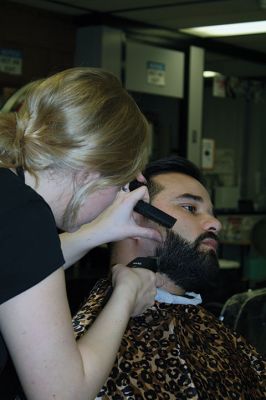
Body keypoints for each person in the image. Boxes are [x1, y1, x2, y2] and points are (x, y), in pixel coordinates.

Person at [0, 67, 163, 400]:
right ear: (90, 173)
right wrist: (126, 296)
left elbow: (17, 267)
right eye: (120, 184)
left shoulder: (10, 196)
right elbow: (62, 392)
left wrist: (94, 233)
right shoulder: (25, 216)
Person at [72, 155, 266, 399]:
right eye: (190, 208)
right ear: (132, 215)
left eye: (211, 212)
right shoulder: (80, 348)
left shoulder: (214, 333)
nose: (215, 223)